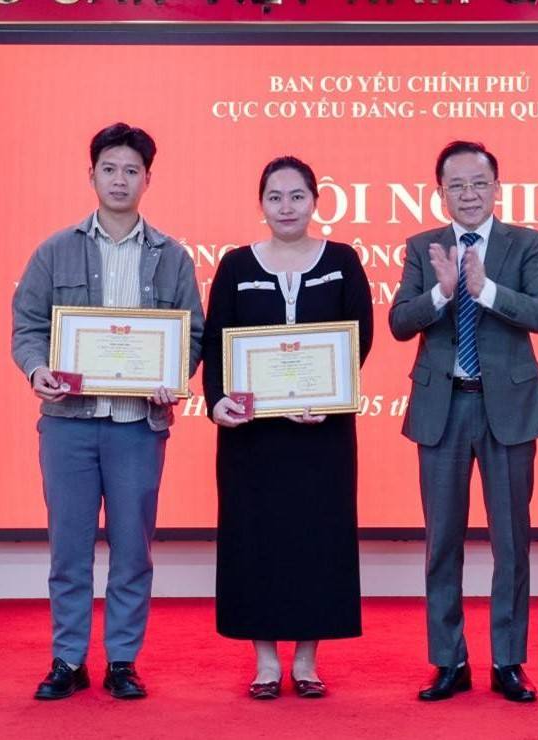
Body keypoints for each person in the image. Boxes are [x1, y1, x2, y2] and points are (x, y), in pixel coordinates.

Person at [11, 122, 204, 701]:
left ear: (148, 179)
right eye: (109, 169)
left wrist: (174, 376)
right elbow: (27, 327)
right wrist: (36, 371)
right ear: (91, 175)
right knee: (68, 550)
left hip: (137, 428)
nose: (120, 180)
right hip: (68, 425)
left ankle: (122, 660)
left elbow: (192, 335)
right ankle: (68, 659)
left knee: (132, 550)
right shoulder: (55, 250)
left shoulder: (172, 257)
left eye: (131, 171)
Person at [389, 141, 538, 703]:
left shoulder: (526, 244)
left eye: (478, 183)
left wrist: (485, 290)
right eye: (456, 185)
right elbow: (399, 323)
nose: (468, 194)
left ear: (497, 189)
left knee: (511, 542)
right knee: (442, 542)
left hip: (508, 408)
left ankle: (508, 661)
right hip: (443, 408)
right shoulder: (422, 247)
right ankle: (449, 660)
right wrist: (442, 292)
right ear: (440, 192)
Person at [203, 156, 373, 700]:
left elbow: (360, 337)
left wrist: (330, 396)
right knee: (256, 540)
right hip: (252, 437)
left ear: (315, 201)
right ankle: (264, 662)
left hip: (322, 434)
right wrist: (217, 402)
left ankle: (306, 660)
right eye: (275, 197)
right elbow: (216, 342)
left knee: (317, 540)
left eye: (297, 196)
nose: (286, 207)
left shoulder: (343, 261)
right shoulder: (235, 265)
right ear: (261, 203)